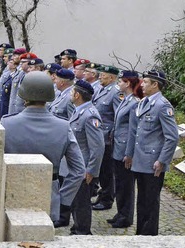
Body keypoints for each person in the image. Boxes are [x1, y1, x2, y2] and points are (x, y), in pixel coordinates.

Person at [1, 71, 85, 223]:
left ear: (23, 96)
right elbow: (79, 170)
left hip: (12, 191)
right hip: (48, 195)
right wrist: (62, 199)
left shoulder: (7, 124)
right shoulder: (63, 126)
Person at [125, 70, 178, 236]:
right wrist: (130, 154)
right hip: (141, 160)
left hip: (153, 162)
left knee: (150, 202)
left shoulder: (163, 105)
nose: (142, 84)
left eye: (146, 82)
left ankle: (149, 236)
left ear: (155, 84)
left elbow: (171, 137)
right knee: (142, 201)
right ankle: (141, 233)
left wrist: (162, 160)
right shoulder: (144, 102)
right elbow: (136, 132)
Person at [62, 80, 105, 235]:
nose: (70, 95)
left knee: (81, 203)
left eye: (72, 92)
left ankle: (83, 232)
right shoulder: (79, 110)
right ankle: (77, 227)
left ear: (78, 95)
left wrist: (91, 171)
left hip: (83, 168)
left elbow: (98, 147)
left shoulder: (89, 115)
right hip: (75, 167)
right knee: (75, 200)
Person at [109, 70, 141, 228]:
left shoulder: (134, 102)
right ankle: (120, 212)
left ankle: (126, 216)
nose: (118, 84)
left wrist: (129, 154)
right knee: (119, 183)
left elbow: (133, 131)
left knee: (126, 184)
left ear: (128, 83)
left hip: (124, 150)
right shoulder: (125, 100)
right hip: (117, 147)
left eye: (120, 81)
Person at [92, 65, 123, 211]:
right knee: (102, 170)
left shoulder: (116, 93)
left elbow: (119, 117)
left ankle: (107, 199)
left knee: (107, 171)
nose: (99, 77)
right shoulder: (99, 89)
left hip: (107, 138)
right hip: (99, 136)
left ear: (111, 77)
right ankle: (102, 194)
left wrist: (112, 135)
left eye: (103, 75)